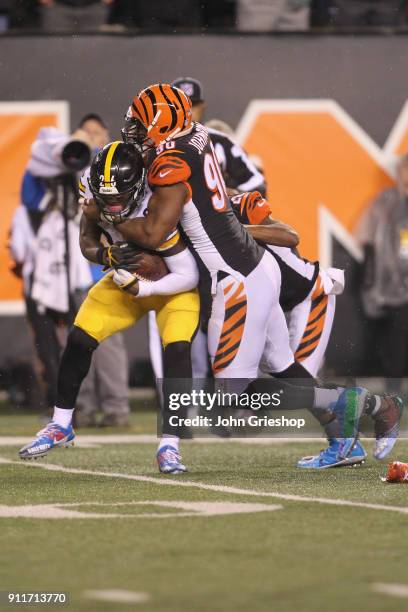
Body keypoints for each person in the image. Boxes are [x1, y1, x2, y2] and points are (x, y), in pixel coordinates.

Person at [117, 83, 402, 466]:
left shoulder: (172, 164)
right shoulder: (198, 136)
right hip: (255, 268)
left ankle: (372, 404)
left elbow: (152, 232)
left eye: (140, 122)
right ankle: (342, 440)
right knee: (281, 364)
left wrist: (113, 216)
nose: (134, 128)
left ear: (163, 123)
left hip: (237, 278)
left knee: (234, 393)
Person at [19, 142, 201, 475]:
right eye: (107, 200)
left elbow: (188, 275)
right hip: (128, 278)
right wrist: (106, 256)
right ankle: (61, 424)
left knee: (177, 350)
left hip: (174, 283)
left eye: (120, 200)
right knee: (79, 339)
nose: (114, 207)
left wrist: (146, 287)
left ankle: (170, 444)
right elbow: (87, 238)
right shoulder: (91, 187)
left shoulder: (161, 196)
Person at [231, 190, 369, 468]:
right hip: (279, 305)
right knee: (284, 370)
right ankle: (350, 430)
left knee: (301, 380)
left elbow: (289, 236)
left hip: (309, 298)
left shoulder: (235, 206)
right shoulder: (194, 216)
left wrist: (235, 229)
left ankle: (349, 437)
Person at [357, 153, 408, 394]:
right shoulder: (386, 203)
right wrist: (371, 283)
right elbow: (369, 241)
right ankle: (393, 397)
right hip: (394, 292)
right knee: (394, 346)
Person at [172, 77, 267, 195]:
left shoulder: (220, 141)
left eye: (193, 104)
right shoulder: (154, 143)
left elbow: (257, 183)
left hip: (212, 212)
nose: (188, 110)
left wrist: (230, 194)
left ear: (202, 106)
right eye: (181, 104)